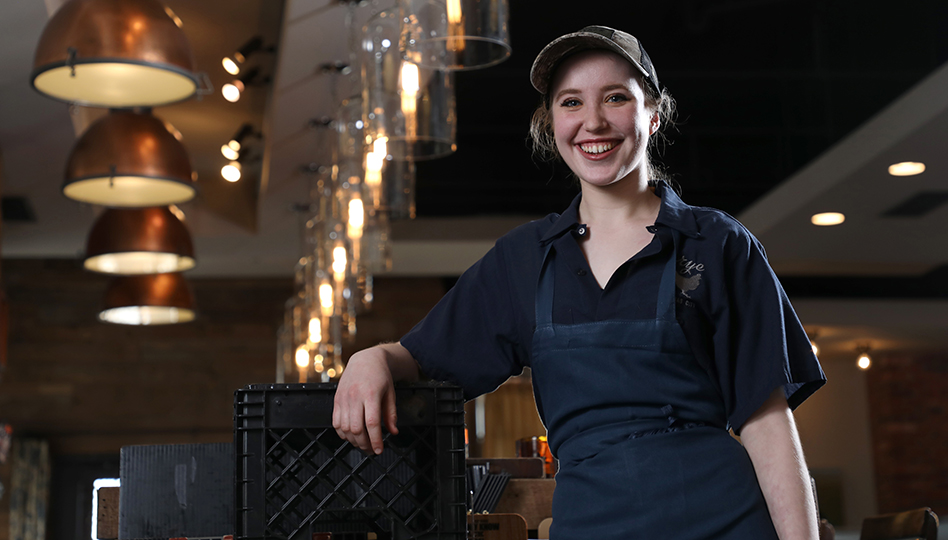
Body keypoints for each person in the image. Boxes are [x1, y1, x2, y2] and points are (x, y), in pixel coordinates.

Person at [333, 25, 826, 540]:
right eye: (571, 103)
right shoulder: (522, 260)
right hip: (590, 523)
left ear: (653, 115)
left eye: (615, 98)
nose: (593, 122)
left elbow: (766, 422)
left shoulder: (717, 243)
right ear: (552, 123)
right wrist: (373, 358)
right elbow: (424, 358)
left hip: (722, 520)